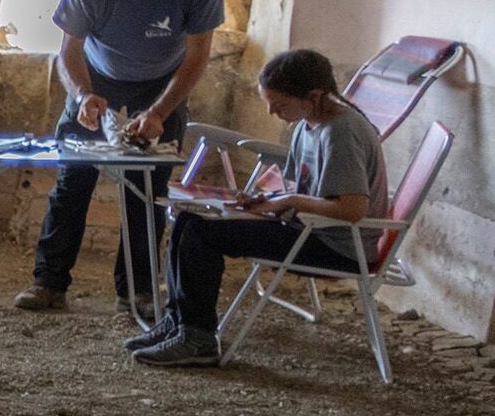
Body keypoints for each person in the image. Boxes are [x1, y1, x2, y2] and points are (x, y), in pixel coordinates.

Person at [131, 48, 390, 369]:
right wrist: (258, 199)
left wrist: (287, 202)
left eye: (279, 104)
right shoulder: (308, 124)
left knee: (200, 232)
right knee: (188, 216)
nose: (271, 112)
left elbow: (351, 209)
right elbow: (296, 187)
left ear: (314, 95)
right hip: (306, 229)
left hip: (335, 246)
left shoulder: (341, 131)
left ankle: (198, 340)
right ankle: (179, 321)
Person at [13, 0, 226, 313]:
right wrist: (83, 95)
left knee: (147, 188)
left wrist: (159, 113)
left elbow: (197, 57)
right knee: (73, 178)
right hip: (97, 76)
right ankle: (49, 282)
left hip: (164, 81)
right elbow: (69, 51)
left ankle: (138, 291)